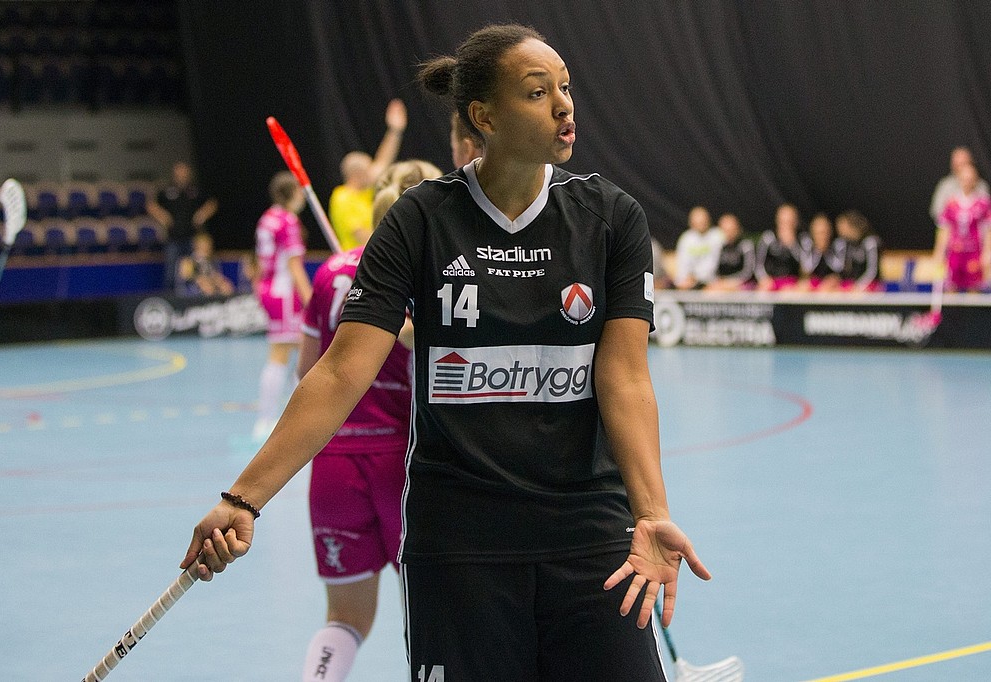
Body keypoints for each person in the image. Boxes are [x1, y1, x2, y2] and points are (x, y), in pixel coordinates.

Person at [182, 24, 709, 682]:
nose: (564, 105)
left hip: (589, 536)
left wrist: (652, 512)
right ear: (483, 117)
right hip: (460, 544)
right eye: (538, 93)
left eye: (566, 88)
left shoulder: (612, 218)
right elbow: (341, 371)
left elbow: (625, 378)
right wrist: (243, 498)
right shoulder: (421, 220)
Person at [297, 171, 435, 682]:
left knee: (345, 617)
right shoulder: (426, 274)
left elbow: (308, 372)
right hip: (403, 463)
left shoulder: (329, 273)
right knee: (432, 614)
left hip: (333, 461)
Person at [252, 171, 314, 439]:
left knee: (289, 352)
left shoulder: (267, 218)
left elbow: (260, 261)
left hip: (269, 290)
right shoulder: (288, 221)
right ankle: (276, 423)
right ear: (292, 193)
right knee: (299, 354)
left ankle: (271, 421)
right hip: (286, 294)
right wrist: (312, 301)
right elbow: (294, 266)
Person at [327, 99, 408, 250]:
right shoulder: (342, 197)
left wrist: (394, 131)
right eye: (369, 169)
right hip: (355, 259)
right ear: (357, 175)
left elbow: (382, 162)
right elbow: (362, 235)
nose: (373, 172)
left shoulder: (364, 193)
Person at [147, 161, 219, 291]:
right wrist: (162, 216)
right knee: (171, 274)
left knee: (197, 271)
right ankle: (171, 298)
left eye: (184, 171)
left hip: (193, 238)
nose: (182, 174)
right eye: (179, 172)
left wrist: (202, 214)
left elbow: (212, 203)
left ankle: (196, 296)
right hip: (173, 238)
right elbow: (151, 205)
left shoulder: (195, 190)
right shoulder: (166, 190)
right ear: (174, 173)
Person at [932, 163, 991, 293]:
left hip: (974, 252)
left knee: (974, 287)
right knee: (951, 287)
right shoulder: (951, 203)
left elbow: (988, 231)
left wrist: (987, 252)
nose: (967, 182)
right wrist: (939, 252)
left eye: (970, 179)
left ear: (975, 180)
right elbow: (944, 230)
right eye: (964, 179)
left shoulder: (983, 203)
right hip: (955, 253)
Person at [929, 146, 989, 225]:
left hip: (976, 229)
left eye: (963, 163)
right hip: (952, 229)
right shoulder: (945, 185)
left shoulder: (981, 186)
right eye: (957, 164)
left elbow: (987, 214)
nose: (960, 167)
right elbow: (937, 211)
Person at [672, 206, 723, 290]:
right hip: (689, 281)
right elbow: (682, 263)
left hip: (711, 282)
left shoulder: (718, 236)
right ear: (691, 223)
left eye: (703, 221)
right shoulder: (686, 238)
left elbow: (716, 262)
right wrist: (685, 278)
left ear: (708, 220)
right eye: (697, 222)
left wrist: (698, 278)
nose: (700, 224)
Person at [755, 203, 804, 291]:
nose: (786, 225)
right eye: (783, 221)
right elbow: (758, 264)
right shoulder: (768, 237)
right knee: (762, 289)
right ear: (777, 220)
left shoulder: (803, 239)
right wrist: (764, 279)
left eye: (789, 221)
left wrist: (792, 244)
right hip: (772, 280)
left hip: (794, 282)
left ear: (796, 222)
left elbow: (806, 266)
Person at [832, 210, 883, 292]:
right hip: (854, 283)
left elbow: (872, 271)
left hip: (871, 284)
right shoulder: (846, 244)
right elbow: (843, 269)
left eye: (842, 225)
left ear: (852, 225)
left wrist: (858, 286)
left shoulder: (870, 242)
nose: (839, 229)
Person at [704, 213, 755, 292]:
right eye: (726, 230)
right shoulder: (718, 246)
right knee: (709, 290)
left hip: (743, 284)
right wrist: (718, 282)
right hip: (721, 283)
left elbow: (748, 272)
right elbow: (712, 270)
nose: (729, 234)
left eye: (732, 230)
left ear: (738, 229)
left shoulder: (746, 245)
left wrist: (729, 283)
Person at [176, 231, 235, 297]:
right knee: (207, 286)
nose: (208, 247)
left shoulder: (212, 261)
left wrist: (222, 282)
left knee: (226, 286)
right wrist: (200, 279)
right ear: (197, 245)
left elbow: (215, 275)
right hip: (192, 289)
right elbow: (186, 276)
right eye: (204, 245)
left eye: (209, 245)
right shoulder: (188, 260)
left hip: (210, 283)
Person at [798, 212, 840, 292]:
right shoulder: (807, 248)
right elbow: (804, 273)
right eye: (819, 233)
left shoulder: (837, 248)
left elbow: (841, 272)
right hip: (813, 289)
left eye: (825, 232)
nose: (822, 237)